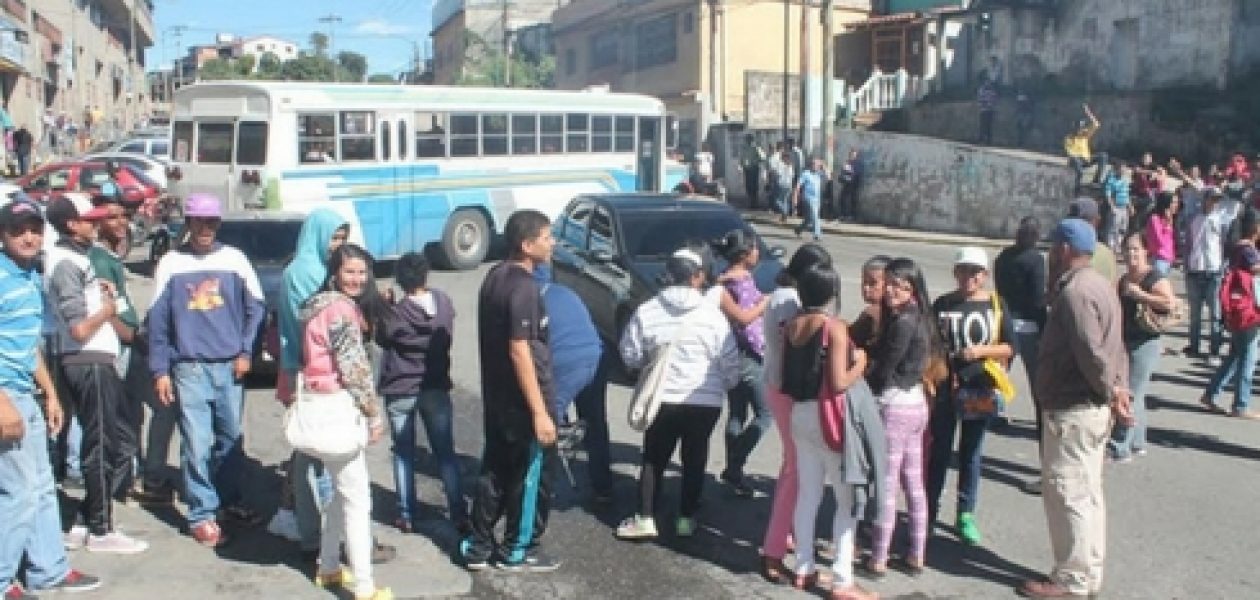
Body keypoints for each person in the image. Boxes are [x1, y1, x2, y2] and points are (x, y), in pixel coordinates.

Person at [1020, 218, 1133, 600]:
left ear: (1065, 250)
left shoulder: (1075, 294)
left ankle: (1072, 580)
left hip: (1075, 409)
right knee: (1087, 495)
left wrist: (1111, 389)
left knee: (1069, 494)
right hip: (1088, 407)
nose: (1051, 253)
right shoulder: (1101, 285)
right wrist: (1120, 389)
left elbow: (1092, 353)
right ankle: (1087, 571)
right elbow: (1117, 348)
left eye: (1054, 247)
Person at [147, 193, 267, 547]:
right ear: (187, 223)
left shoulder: (235, 260)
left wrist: (247, 352)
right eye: (199, 221)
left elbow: (256, 309)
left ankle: (229, 502)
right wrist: (160, 370)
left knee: (230, 440)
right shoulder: (170, 263)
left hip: (230, 367)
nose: (205, 228)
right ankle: (201, 512)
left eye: (211, 221)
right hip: (189, 368)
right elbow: (157, 322)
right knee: (196, 443)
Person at [0, 199, 104, 598]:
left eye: (34, 229)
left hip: (25, 390)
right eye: (17, 230)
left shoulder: (29, 276)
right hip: (5, 396)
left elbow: (29, 345)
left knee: (43, 486)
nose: (28, 237)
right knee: (19, 491)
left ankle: (49, 569)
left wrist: (50, 392)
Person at [43, 194, 149, 554]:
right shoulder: (64, 262)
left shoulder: (76, 258)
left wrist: (101, 296)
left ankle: (87, 518)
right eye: (91, 219)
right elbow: (77, 328)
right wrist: (105, 310)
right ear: (72, 224)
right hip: (86, 359)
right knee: (104, 441)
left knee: (117, 439)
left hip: (93, 359)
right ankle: (100, 529)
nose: (97, 224)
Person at [615, 244, 740, 541]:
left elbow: (630, 354)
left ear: (669, 275)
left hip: (662, 398)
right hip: (705, 401)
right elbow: (730, 362)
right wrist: (725, 384)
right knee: (695, 458)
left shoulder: (648, 310)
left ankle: (645, 517)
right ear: (697, 277)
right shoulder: (713, 316)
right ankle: (686, 518)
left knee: (654, 458)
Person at [461, 209, 560, 572]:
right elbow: (520, 349)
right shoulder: (524, 287)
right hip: (523, 402)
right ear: (526, 244)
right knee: (530, 476)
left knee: (494, 471)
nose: (552, 243)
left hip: (498, 400)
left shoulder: (493, 277)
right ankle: (519, 549)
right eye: (547, 237)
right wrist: (540, 412)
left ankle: (478, 545)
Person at [300, 244, 393, 600]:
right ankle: (365, 587)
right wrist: (373, 414)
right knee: (358, 500)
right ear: (335, 272)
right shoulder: (341, 312)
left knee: (340, 492)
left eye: (362, 272)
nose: (356, 279)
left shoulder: (317, 305)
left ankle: (328, 568)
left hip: (316, 403)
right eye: (349, 271)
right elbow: (354, 369)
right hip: (338, 405)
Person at [781, 265, 878, 600]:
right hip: (829, 419)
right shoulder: (833, 328)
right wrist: (861, 362)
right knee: (846, 501)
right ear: (832, 294)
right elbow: (838, 383)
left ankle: (804, 567)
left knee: (808, 495)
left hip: (800, 415)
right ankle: (842, 580)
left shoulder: (792, 326)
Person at [89, 188, 176, 505]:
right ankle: (148, 478)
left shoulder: (113, 256)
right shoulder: (98, 259)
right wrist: (132, 336)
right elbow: (104, 309)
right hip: (122, 348)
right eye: (112, 218)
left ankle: (135, 475)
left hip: (132, 343)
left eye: (124, 216)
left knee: (131, 417)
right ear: (96, 223)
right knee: (162, 408)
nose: (121, 222)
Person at [927, 246, 1014, 546]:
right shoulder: (942, 304)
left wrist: (980, 351)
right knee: (938, 451)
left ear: (985, 275)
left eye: (975, 272)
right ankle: (928, 509)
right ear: (955, 272)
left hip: (980, 387)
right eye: (963, 270)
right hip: (945, 388)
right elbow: (929, 345)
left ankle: (965, 513)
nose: (968, 277)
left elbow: (1008, 347)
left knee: (971, 452)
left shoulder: (995, 304)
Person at [758, 243, 833, 584]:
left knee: (793, 466)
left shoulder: (784, 298)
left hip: (780, 387)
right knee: (794, 470)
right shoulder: (789, 301)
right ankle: (773, 550)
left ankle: (786, 531)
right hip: (788, 391)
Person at [377, 252, 467, 534]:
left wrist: (385, 306)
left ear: (401, 280)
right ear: (426, 274)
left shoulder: (398, 312)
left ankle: (406, 513)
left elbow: (382, 338)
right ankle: (458, 510)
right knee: (445, 453)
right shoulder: (443, 303)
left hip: (401, 387)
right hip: (435, 386)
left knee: (403, 453)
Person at [276, 208, 349, 554]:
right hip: (305, 371)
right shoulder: (301, 274)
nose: (338, 245)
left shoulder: (325, 269)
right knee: (311, 455)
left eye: (342, 239)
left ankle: (324, 530)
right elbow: (306, 327)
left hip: (324, 371)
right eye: (334, 237)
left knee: (320, 454)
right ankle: (313, 533)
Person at [863, 257, 934, 578]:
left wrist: (864, 373)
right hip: (916, 404)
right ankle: (916, 554)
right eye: (889, 283)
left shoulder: (903, 322)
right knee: (913, 482)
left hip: (895, 407)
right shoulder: (919, 317)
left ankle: (878, 557)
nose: (892, 291)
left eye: (901, 286)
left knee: (888, 486)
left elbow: (884, 368)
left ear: (913, 290)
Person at [532, 263, 613, 502]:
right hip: (597, 357)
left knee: (547, 422)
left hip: (566, 362)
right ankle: (603, 487)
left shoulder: (530, 300)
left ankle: (540, 486)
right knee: (596, 423)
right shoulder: (566, 293)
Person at [1108, 233, 1173, 463]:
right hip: (1127, 340)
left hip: (1146, 342)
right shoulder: (1125, 278)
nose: (1131, 254)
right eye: (1127, 250)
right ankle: (1137, 442)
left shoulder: (1154, 277)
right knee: (1138, 393)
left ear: (1146, 252)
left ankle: (1119, 446)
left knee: (1130, 393)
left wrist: (1141, 295)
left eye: (1136, 249)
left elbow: (1168, 302)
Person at [714, 230, 770, 497]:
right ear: (746, 254)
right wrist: (765, 303)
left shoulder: (723, 279)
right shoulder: (743, 282)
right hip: (750, 356)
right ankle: (736, 463)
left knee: (737, 413)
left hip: (731, 355)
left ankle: (732, 469)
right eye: (755, 249)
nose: (758, 253)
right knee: (765, 414)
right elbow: (747, 322)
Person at [993, 217, 1046, 492]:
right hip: (1029, 325)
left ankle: (994, 410)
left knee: (999, 370)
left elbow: (999, 290)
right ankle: (1045, 456)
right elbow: (1038, 298)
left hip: (1006, 319)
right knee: (1038, 385)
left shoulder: (1003, 257)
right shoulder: (1035, 260)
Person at [1199, 217, 1260, 420]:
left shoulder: (1236, 249)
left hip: (1238, 310)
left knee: (1235, 355)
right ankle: (1241, 404)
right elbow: (1255, 269)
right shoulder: (1248, 251)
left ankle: (1211, 392)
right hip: (1248, 310)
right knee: (1248, 357)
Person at [1184, 188, 1227, 364]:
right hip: (1195, 268)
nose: (1215, 203)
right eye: (1212, 199)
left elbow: (1225, 242)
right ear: (1205, 200)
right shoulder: (1193, 217)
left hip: (1214, 270)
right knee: (1195, 314)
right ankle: (1194, 347)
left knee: (1215, 314)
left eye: (1217, 200)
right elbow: (1187, 240)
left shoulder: (1221, 219)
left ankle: (1214, 351)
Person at [1063, 104, 1106, 193]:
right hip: (1076, 161)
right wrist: (1080, 158)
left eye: (1080, 128)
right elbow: (1070, 153)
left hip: (1086, 160)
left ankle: (1096, 180)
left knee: (1103, 156)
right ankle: (1077, 184)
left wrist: (1088, 113)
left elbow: (1096, 124)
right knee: (1075, 160)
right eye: (1078, 128)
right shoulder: (1069, 138)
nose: (1079, 130)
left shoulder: (1085, 135)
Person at [1143, 192, 1178, 276]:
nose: (1176, 205)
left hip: (1167, 260)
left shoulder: (1169, 220)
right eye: (1174, 202)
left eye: (1177, 202)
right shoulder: (1155, 219)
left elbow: (1170, 242)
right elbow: (1160, 241)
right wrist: (1168, 225)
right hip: (1158, 259)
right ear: (1166, 203)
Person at [794, 157, 827, 241]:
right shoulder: (806, 173)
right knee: (815, 216)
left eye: (816, 165)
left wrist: (824, 166)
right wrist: (796, 196)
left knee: (809, 218)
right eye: (813, 164)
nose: (814, 166)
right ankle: (817, 234)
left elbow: (829, 176)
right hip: (808, 198)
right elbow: (798, 185)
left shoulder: (819, 174)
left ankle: (798, 229)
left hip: (817, 199)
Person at [1103, 162, 1132, 250]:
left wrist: (1130, 206)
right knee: (1113, 228)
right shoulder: (1111, 180)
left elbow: (1127, 194)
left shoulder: (1125, 180)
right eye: (1122, 169)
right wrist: (1112, 207)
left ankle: (1117, 245)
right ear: (1117, 169)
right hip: (1116, 207)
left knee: (1123, 228)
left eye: (1124, 169)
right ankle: (1110, 246)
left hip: (1124, 208)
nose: (1123, 171)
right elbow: (1108, 195)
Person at [767, 142, 794, 221]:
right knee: (785, 200)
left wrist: (773, 178)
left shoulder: (780, 163)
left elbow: (777, 173)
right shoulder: (790, 165)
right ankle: (784, 216)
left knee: (777, 201)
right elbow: (792, 175)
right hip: (789, 185)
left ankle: (784, 212)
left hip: (781, 184)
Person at [740, 134, 765, 210]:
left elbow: (763, 157)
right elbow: (741, 157)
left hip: (754, 169)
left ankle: (754, 203)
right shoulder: (744, 148)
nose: (747, 141)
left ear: (751, 140)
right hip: (746, 169)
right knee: (748, 186)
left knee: (754, 187)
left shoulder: (756, 148)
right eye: (747, 139)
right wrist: (741, 165)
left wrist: (755, 161)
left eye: (749, 139)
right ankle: (750, 202)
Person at [837, 149, 863, 222]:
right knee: (842, 199)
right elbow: (842, 173)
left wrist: (850, 170)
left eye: (854, 155)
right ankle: (843, 215)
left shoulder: (858, 164)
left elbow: (857, 173)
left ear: (856, 156)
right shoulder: (847, 163)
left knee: (853, 200)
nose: (852, 156)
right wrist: (843, 174)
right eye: (851, 154)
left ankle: (852, 216)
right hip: (846, 184)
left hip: (854, 184)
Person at [977, 77, 998, 145]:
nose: (988, 83)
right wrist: (986, 103)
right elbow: (980, 99)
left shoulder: (992, 90)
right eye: (986, 82)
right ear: (984, 82)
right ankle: (981, 140)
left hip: (990, 110)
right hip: (983, 110)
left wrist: (991, 104)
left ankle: (989, 141)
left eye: (989, 82)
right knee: (983, 126)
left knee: (989, 126)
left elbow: (994, 99)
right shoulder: (981, 90)